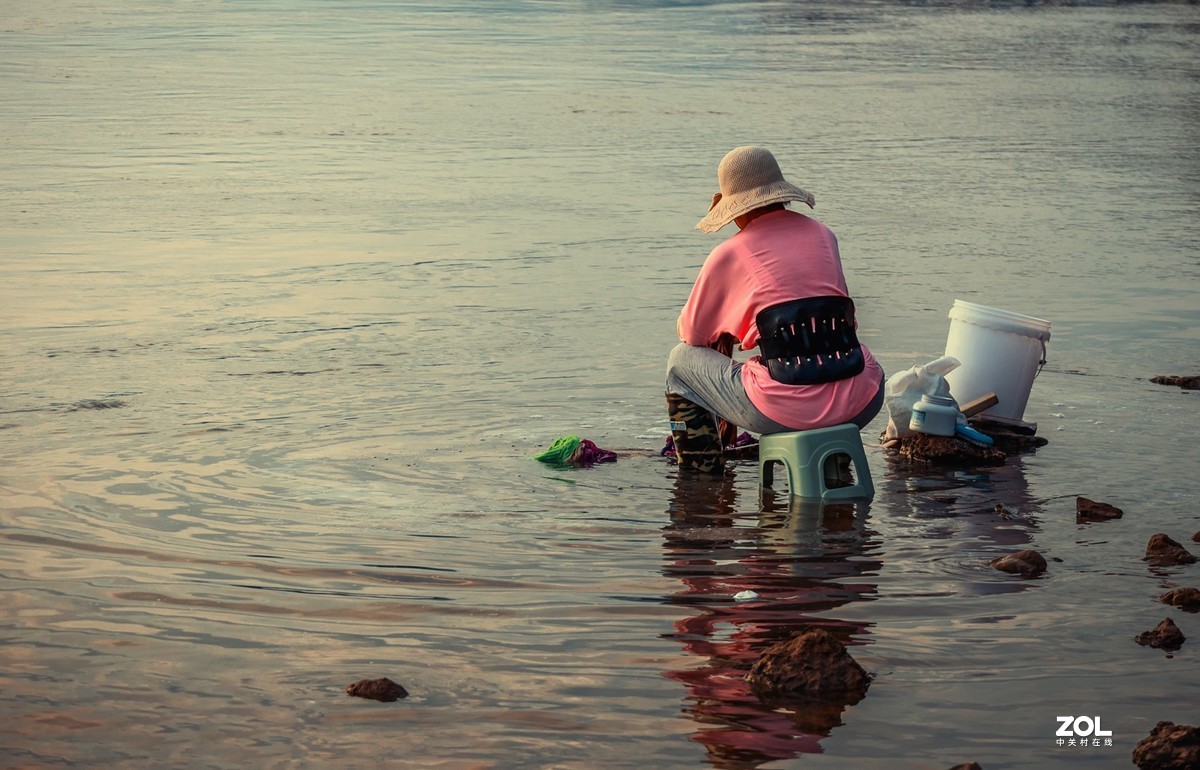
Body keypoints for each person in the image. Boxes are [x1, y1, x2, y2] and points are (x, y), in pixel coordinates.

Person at [666, 146, 885, 473]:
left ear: (733, 210)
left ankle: (702, 481)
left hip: (786, 410)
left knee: (679, 363)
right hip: (862, 399)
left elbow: (692, 333)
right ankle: (834, 468)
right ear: (780, 195)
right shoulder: (824, 235)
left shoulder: (731, 252)